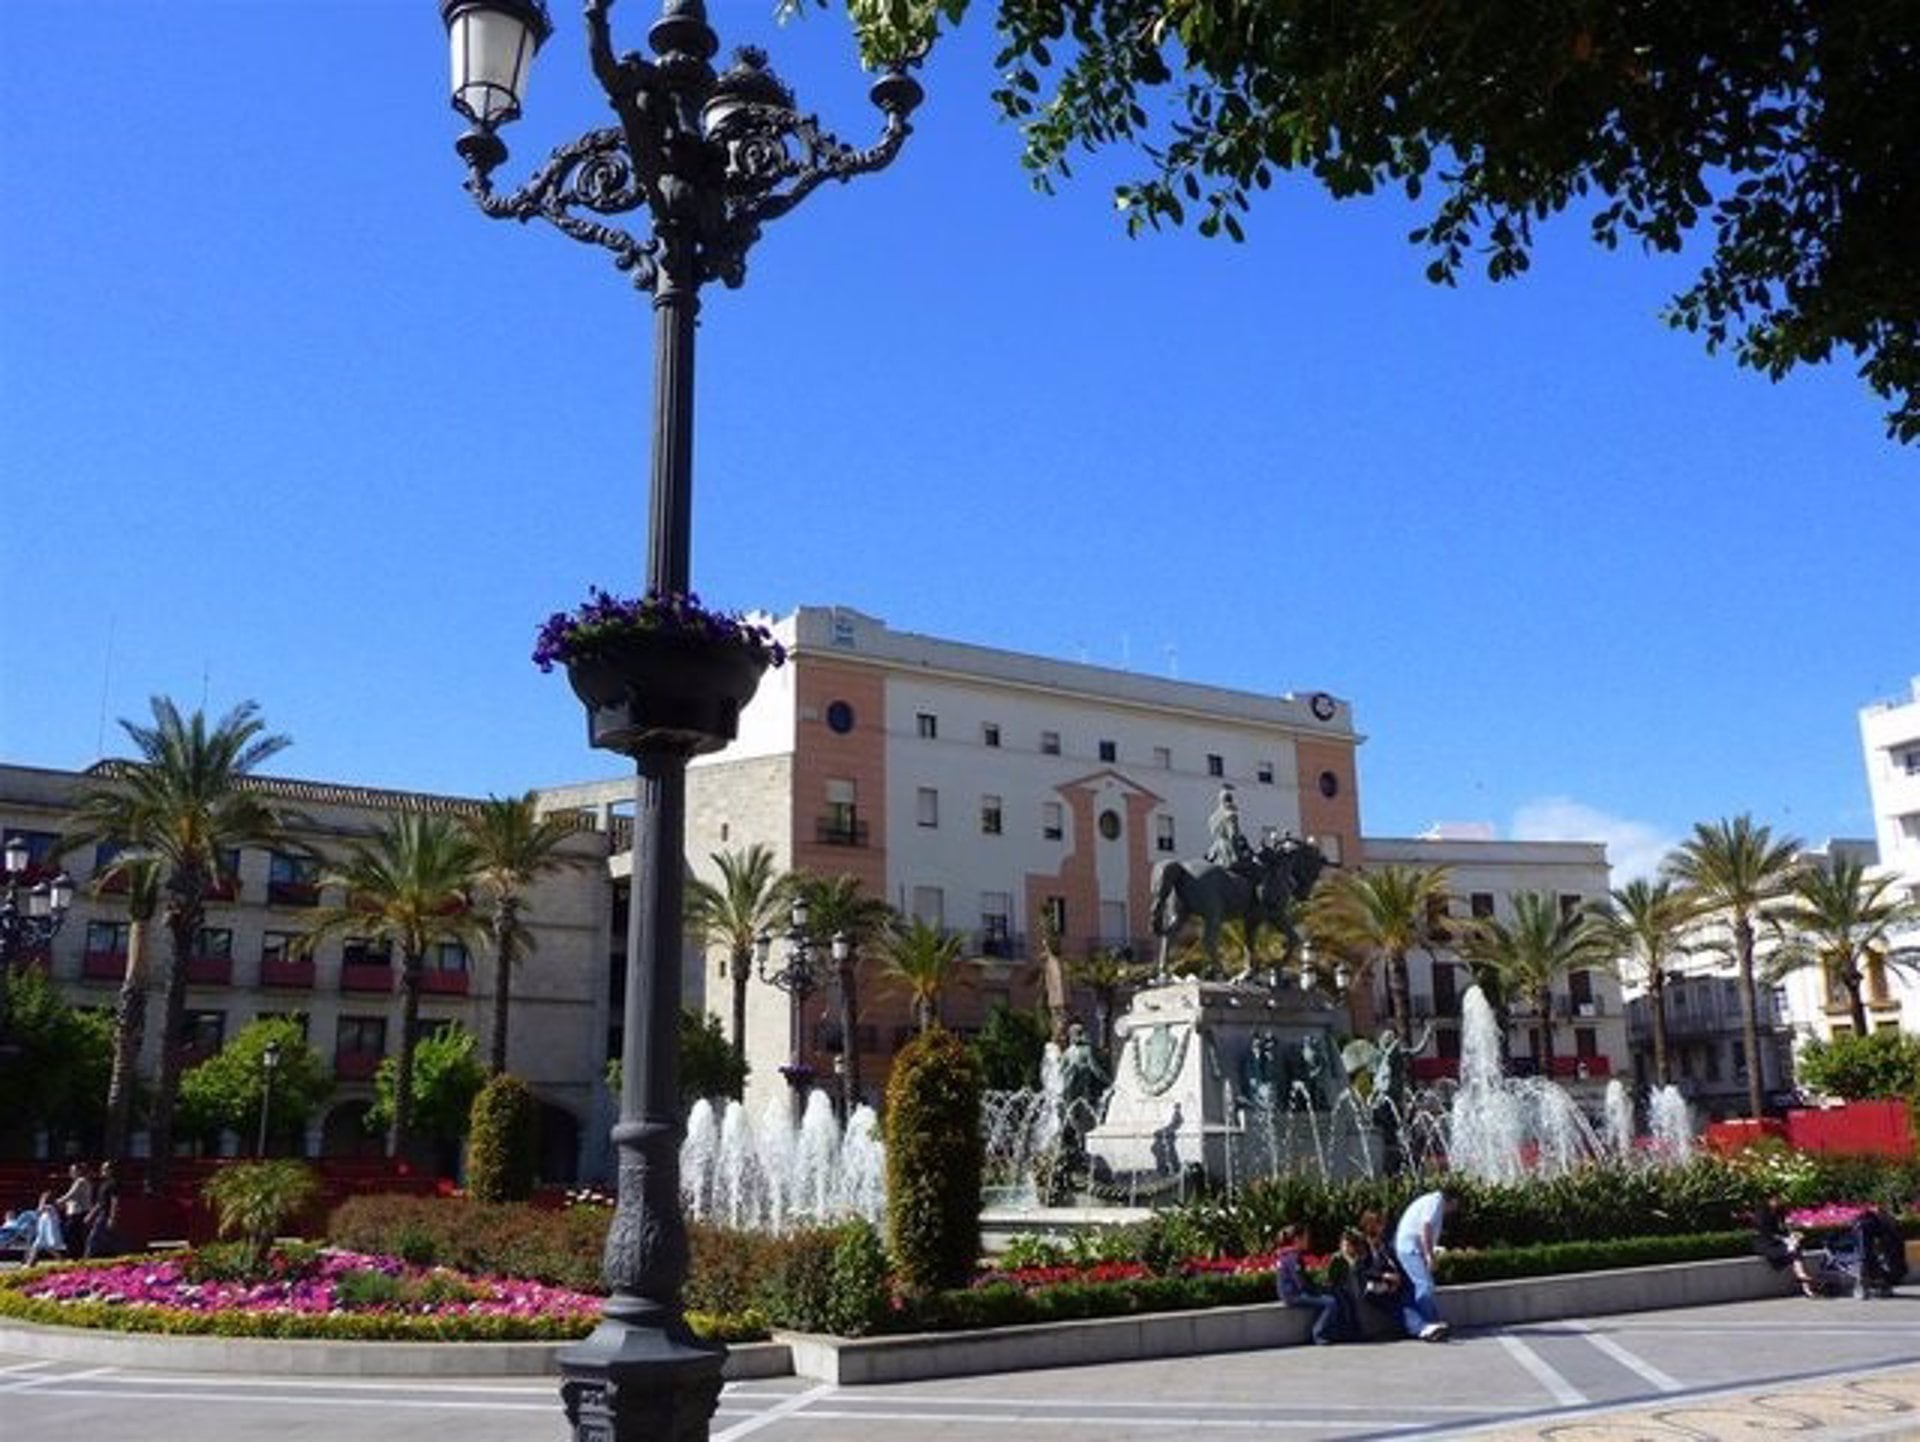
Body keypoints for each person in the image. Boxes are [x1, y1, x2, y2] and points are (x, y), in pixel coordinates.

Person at [1392, 1189, 1456, 1341]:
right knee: (1425, 1285)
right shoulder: (1436, 1202)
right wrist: (1429, 1255)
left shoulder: (1431, 1201)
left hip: (1409, 1247)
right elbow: (1425, 1227)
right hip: (1409, 1248)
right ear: (1453, 1200)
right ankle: (1427, 1325)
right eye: (1455, 1206)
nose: (1453, 1211)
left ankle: (1430, 1322)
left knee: (1421, 1285)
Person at [1275, 1224, 1350, 1345]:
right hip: (1293, 1295)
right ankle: (1318, 1333)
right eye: (1305, 1237)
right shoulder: (1293, 1256)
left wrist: (1320, 1287)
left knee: (1334, 1293)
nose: (1308, 1240)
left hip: (1292, 1292)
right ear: (1297, 1240)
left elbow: (1303, 1280)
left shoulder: (1287, 1254)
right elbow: (1301, 1284)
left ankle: (1340, 1331)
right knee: (1331, 1302)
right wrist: (1318, 1290)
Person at [1753, 1195, 1823, 1297]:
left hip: (1779, 1242)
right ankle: (1804, 1282)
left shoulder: (1780, 1212)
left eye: (1778, 1199)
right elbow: (1766, 1234)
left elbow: (1784, 1230)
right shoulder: (1761, 1214)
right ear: (1767, 1201)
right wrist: (1786, 1240)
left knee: (1796, 1249)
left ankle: (1803, 1281)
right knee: (1794, 1250)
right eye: (1774, 1199)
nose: (1777, 1201)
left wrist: (1793, 1235)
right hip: (1766, 1244)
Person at [1355, 1209, 1408, 1334]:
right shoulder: (1362, 1243)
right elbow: (1362, 1269)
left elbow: (1388, 1263)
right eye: (1380, 1223)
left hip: (1383, 1283)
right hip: (1368, 1286)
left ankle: (1411, 1325)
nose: (1383, 1227)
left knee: (1405, 1294)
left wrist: (1395, 1278)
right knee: (1394, 1305)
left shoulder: (1382, 1243)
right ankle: (1410, 1326)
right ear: (1371, 1225)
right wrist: (1385, 1277)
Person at [84, 1160, 120, 1259]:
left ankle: (85, 1259)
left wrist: (112, 1217)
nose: (102, 1170)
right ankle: (121, 1255)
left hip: (106, 1213)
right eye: (102, 1168)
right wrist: (91, 1214)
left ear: (111, 1170)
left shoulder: (113, 1183)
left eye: (105, 1169)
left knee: (93, 1236)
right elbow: (100, 1202)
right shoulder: (103, 1184)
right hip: (101, 1212)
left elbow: (114, 1201)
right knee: (109, 1237)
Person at [23, 1192, 66, 1266]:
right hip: (43, 1234)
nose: (41, 1199)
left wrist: (41, 1202)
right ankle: (30, 1263)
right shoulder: (48, 1210)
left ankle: (62, 1261)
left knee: (48, 1248)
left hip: (48, 1234)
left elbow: (39, 1210)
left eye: (43, 1198)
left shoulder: (50, 1207)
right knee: (36, 1247)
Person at [54, 1161, 94, 1228]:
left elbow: (71, 1195)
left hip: (78, 1212)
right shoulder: (83, 1181)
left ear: (79, 1171)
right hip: (80, 1211)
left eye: (73, 1170)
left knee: (71, 1234)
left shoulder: (80, 1181)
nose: (70, 1172)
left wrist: (57, 1201)